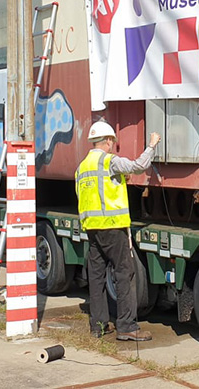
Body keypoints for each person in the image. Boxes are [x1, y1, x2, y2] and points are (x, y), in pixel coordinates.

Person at [76, 120, 160, 341]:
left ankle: (99, 326)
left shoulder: (82, 167)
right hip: (113, 228)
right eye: (112, 140)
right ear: (108, 141)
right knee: (124, 274)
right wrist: (152, 145)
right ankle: (127, 326)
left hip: (92, 230)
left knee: (96, 277)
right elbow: (138, 166)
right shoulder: (109, 162)